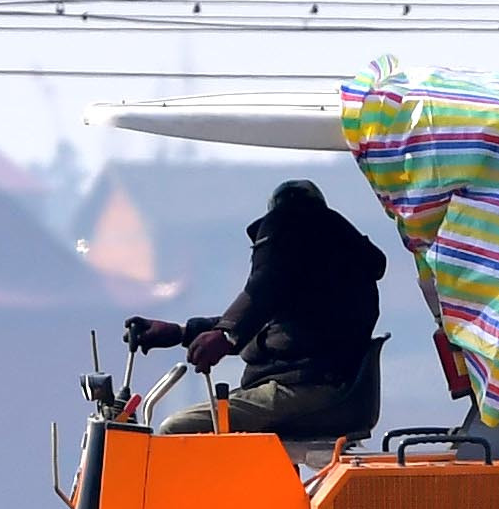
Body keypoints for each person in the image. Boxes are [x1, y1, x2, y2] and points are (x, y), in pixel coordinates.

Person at [123, 179, 386, 442]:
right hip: (326, 388)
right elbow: (268, 321)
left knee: (177, 428)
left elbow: (265, 287)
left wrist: (226, 335)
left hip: (307, 387)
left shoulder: (292, 227)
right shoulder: (332, 271)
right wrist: (181, 333)